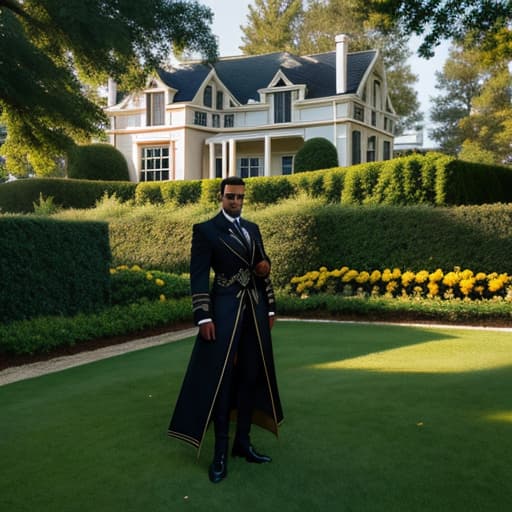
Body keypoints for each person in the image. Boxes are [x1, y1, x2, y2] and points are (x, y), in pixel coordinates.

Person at [168, 176, 284, 483]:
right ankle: (219, 453)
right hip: (223, 311)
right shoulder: (205, 230)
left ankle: (242, 444)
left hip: (254, 312)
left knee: (250, 377)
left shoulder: (253, 229)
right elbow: (197, 276)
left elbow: (262, 268)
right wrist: (203, 316)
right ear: (221, 196)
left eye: (240, 197)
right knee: (222, 379)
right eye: (231, 196)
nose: (236, 201)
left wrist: (270, 304)